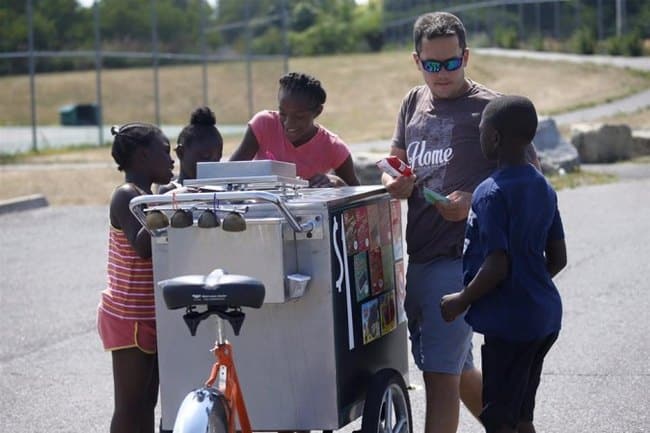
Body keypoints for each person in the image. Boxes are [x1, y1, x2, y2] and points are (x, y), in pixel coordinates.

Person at [381, 11, 539, 433]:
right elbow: (393, 161)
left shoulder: (490, 110)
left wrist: (474, 202)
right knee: (457, 366)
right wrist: (393, 180)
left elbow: (529, 182)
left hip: (464, 260)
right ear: (417, 62)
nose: (442, 73)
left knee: (439, 379)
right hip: (421, 257)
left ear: (466, 56)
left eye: (451, 62)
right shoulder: (413, 102)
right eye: (432, 65)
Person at [440, 95, 567, 433]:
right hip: (544, 318)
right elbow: (558, 258)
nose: (479, 136)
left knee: (498, 420)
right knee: (521, 415)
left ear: (494, 137)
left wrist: (460, 300)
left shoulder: (489, 192)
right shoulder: (543, 187)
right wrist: (528, 280)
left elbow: (497, 265)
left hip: (510, 326)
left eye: (481, 130)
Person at [97, 122, 174, 433]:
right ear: (143, 156)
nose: (172, 160)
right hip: (128, 318)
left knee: (146, 403)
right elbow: (143, 246)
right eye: (165, 152)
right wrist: (167, 202)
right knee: (130, 407)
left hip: (149, 315)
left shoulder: (148, 195)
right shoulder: (126, 195)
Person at [229, 71, 360, 187]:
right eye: (283, 113)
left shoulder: (333, 147)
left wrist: (338, 183)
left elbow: (357, 195)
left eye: (299, 117)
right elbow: (229, 173)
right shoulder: (263, 124)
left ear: (318, 111)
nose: (288, 123)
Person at [158, 106, 223, 194]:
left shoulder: (222, 191)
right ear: (180, 153)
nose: (212, 163)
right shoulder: (170, 192)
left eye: (217, 158)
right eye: (205, 157)